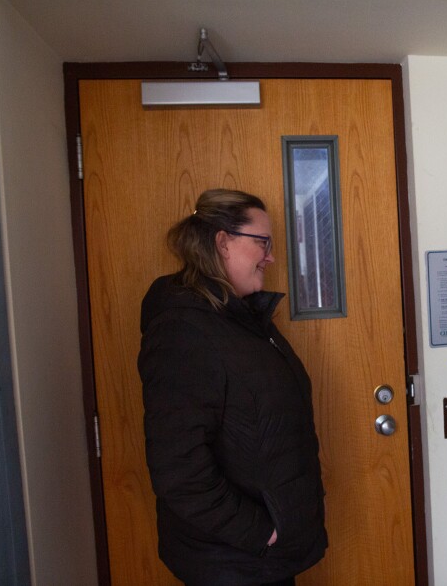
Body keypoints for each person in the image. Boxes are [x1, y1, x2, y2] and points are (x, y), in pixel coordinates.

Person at [138, 188, 327, 586]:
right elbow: (180, 470)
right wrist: (260, 532)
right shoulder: (183, 332)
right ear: (223, 242)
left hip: (257, 559)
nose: (271, 256)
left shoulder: (238, 320)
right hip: (231, 561)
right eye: (263, 242)